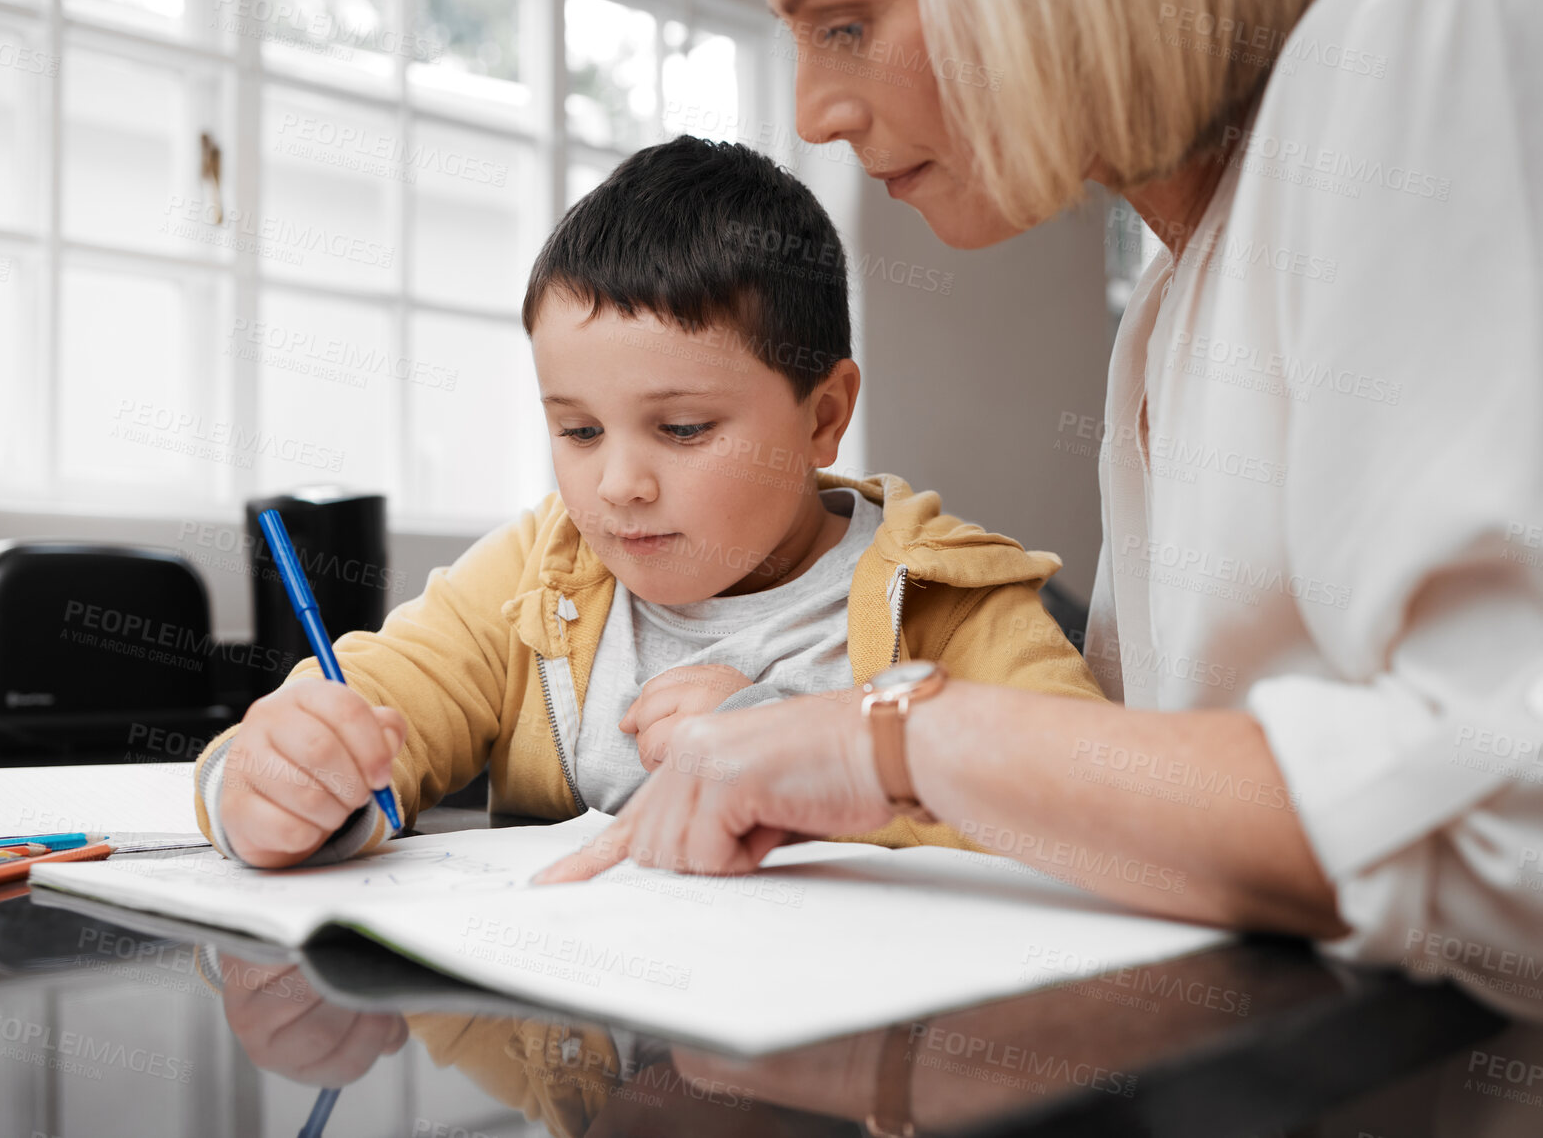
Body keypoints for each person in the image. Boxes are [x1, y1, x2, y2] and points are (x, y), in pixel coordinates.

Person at [540, 0, 1543, 1009]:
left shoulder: (1423, 24)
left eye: (847, 24)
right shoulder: (1165, 304)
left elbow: (1511, 815)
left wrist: (886, 741)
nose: (813, 115)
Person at [191, 134, 1101, 869]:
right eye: (579, 432)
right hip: (578, 1057)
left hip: (836, 1067)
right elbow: (381, 696)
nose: (616, 484)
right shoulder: (539, 575)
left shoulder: (950, 599)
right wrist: (273, 775)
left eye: (683, 430)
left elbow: (1095, 809)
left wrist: (801, 758)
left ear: (822, 418)